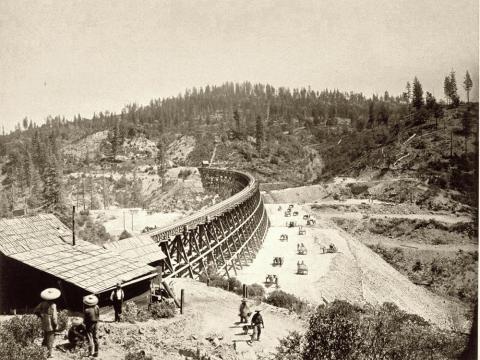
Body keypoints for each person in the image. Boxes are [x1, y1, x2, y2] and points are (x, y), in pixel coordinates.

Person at [34, 288, 60, 358]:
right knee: (51, 338)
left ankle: (41, 350)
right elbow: (54, 317)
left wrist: (41, 315)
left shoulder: (42, 303)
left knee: (45, 336)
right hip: (50, 323)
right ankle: (50, 353)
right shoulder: (53, 305)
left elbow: (36, 310)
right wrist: (56, 324)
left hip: (44, 321)